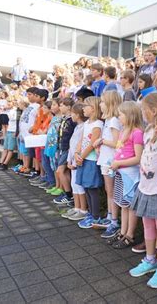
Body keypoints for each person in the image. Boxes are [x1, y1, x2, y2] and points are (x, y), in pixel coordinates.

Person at [129, 93, 157, 289]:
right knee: (148, 225)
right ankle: (150, 259)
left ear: (154, 111)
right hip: (145, 187)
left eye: (144, 110)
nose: (142, 113)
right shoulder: (148, 130)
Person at [105, 101, 144, 249]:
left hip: (130, 175)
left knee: (130, 205)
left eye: (121, 114)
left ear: (129, 115)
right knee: (123, 203)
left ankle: (130, 234)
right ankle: (123, 232)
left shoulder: (137, 133)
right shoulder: (123, 131)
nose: (118, 117)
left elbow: (138, 157)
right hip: (121, 173)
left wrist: (119, 164)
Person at [95, 90, 122, 238]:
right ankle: (110, 216)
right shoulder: (109, 120)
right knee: (108, 190)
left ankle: (113, 221)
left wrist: (102, 141)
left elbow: (118, 143)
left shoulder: (113, 121)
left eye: (103, 102)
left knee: (111, 191)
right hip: (106, 159)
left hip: (110, 160)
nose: (101, 104)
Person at [75, 96, 104, 229]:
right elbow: (81, 140)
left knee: (92, 188)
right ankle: (91, 213)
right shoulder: (87, 123)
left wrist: (82, 156)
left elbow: (93, 143)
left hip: (91, 160)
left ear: (93, 109)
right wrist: (77, 153)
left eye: (85, 106)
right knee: (86, 187)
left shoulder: (98, 124)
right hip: (83, 158)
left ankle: (96, 215)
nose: (83, 109)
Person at [62, 103, 89, 221]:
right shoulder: (77, 127)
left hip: (78, 160)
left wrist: (75, 159)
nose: (71, 115)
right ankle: (77, 207)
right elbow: (71, 145)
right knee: (74, 185)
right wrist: (69, 159)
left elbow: (80, 144)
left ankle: (83, 209)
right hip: (72, 159)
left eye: (72, 113)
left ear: (78, 115)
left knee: (79, 185)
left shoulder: (83, 127)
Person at [53, 98, 76, 204]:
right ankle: (68, 193)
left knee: (60, 171)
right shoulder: (64, 118)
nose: (60, 107)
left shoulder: (72, 120)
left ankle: (68, 195)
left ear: (69, 107)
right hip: (62, 147)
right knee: (65, 171)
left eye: (62, 105)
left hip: (68, 148)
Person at [0, 97, 19, 170]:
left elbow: (16, 121)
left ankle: (5, 164)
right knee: (5, 148)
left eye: (9, 102)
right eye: (7, 102)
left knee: (10, 149)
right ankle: (1, 162)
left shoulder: (17, 111)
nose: (8, 104)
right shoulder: (9, 111)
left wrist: (16, 132)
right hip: (9, 130)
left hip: (13, 131)